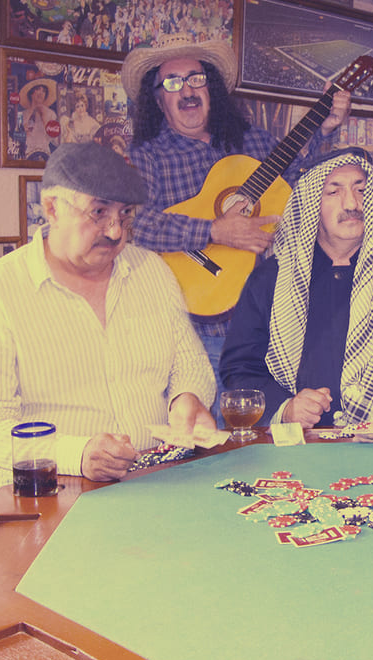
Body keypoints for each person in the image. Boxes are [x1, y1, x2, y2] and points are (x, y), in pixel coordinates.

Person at [0, 142, 216, 502]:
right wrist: (77, 453)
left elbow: (191, 362)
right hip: (44, 495)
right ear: (51, 208)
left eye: (125, 214)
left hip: (154, 482)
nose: (115, 232)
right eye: (98, 212)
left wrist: (187, 398)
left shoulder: (152, 271)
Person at [122, 35, 350, 394]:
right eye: (173, 82)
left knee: (274, 420)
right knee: (210, 425)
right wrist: (214, 230)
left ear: (211, 88)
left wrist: (324, 129)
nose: (187, 90)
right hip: (197, 331)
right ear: (158, 99)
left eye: (196, 78)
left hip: (271, 322)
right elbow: (136, 224)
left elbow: (302, 187)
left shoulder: (253, 141)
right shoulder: (148, 155)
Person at [221, 151, 373, 436]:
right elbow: (239, 367)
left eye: (361, 190)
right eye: (334, 191)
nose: (352, 203)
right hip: (296, 448)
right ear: (311, 203)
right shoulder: (271, 278)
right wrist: (285, 408)